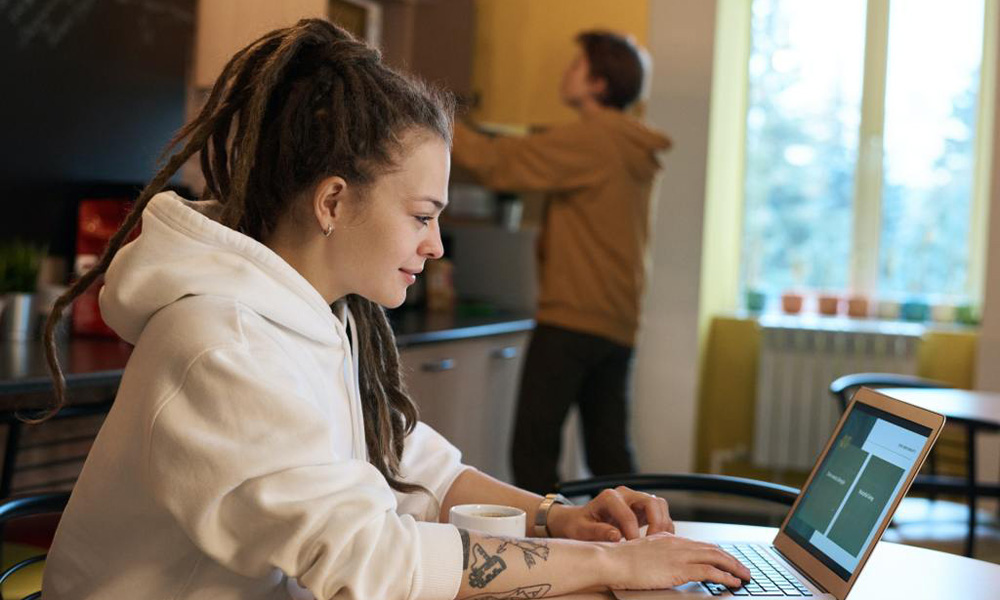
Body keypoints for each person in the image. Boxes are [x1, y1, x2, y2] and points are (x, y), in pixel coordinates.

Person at [39, 19, 746, 600]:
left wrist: (556, 518)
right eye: (421, 216)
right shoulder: (222, 344)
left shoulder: (315, 315)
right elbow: (371, 563)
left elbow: (410, 464)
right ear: (334, 201)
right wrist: (612, 566)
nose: (435, 245)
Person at [451, 31, 671, 495]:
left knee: (532, 450)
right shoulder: (629, 143)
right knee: (609, 454)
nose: (565, 72)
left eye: (576, 66)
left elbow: (499, 163)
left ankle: (547, 553)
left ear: (598, 83)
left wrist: (430, 114)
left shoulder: (595, 138)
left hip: (571, 317)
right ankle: (643, 545)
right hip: (617, 321)